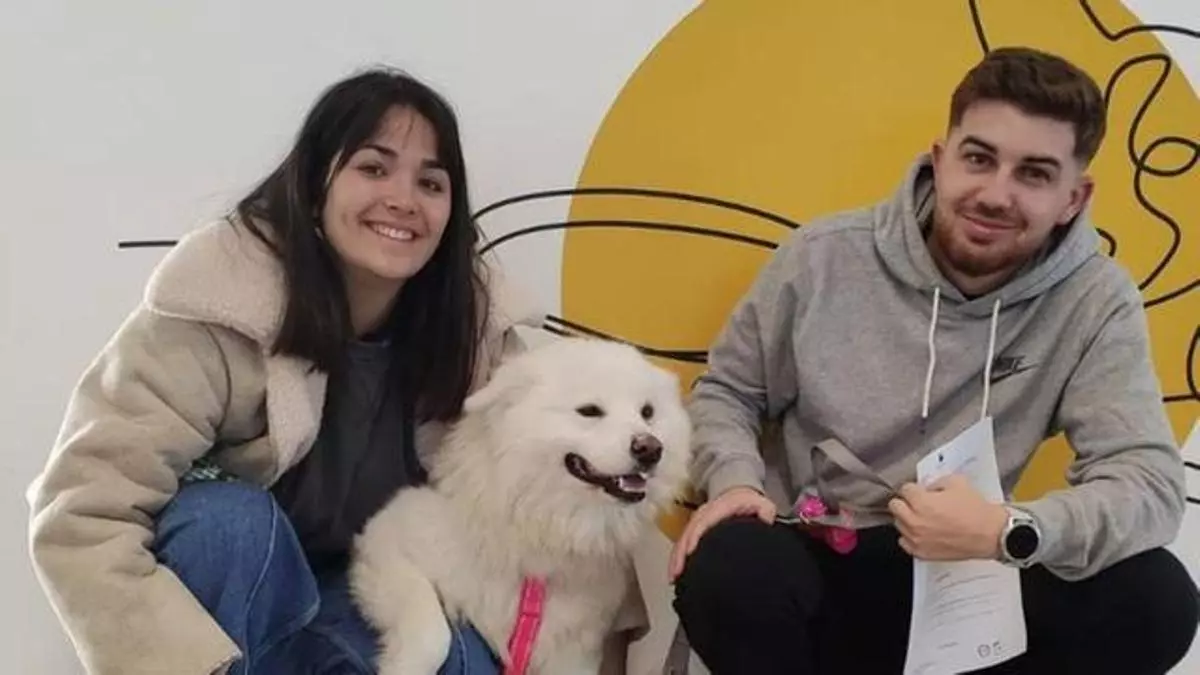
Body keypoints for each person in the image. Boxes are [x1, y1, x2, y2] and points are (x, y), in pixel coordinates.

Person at [25, 68, 576, 675]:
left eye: (430, 182)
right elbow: (84, 511)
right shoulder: (218, 302)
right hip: (233, 605)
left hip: (371, 592)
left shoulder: (480, 335)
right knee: (228, 527)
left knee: (459, 652)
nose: (403, 199)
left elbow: (569, 498)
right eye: (373, 168)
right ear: (315, 186)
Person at [668, 46, 1199, 674]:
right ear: (941, 160)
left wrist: (1008, 530)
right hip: (820, 556)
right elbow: (730, 391)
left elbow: (1147, 482)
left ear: (1073, 199)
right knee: (728, 564)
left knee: (1155, 597)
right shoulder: (822, 257)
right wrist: (734, 481)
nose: (995, 194)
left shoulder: (1095, 299)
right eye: (979, 158)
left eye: (1033, 174)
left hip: (973, 574)